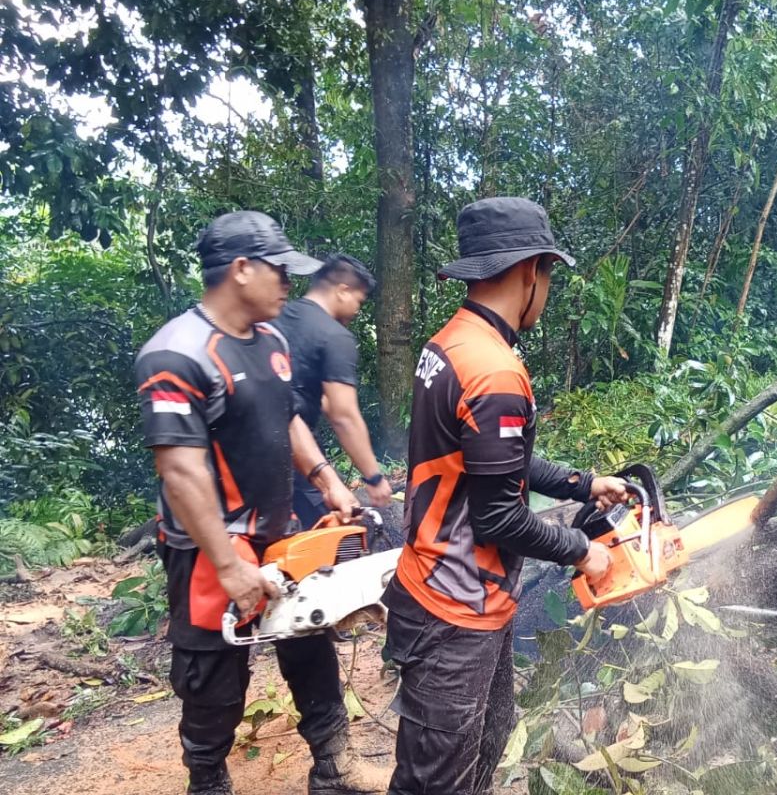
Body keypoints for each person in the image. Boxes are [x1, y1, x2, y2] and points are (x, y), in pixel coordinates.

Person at [135, 211, 391, 795]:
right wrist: (228, 564)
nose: (287, 283)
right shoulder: (177, 354)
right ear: (241, 269)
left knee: (311, 643)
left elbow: (289, 420)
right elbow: (179, 468)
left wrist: (327, 478)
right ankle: (209, 781)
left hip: (281, 529)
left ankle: (334, 769)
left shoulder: (272, 339)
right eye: (278, 271)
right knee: (212, 678)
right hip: (208, 548)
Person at [381, 197, 624, 795]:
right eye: (547, 275)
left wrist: (581, 483)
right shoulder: (494, 371)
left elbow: (491, 466)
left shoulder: (453, 344)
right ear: (529, 271)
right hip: (453, 606)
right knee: (434, 779)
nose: (546, 288)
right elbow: (497, 516)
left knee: (491, 735)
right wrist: (579, 550)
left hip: (455, 591)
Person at [274, 253, 393, 529]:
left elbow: (322, 400)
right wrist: (373, 477)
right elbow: (343, 415)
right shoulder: (334, 336)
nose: (357, 310)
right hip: (297, 457)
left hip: (263, 452)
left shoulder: (280, 316)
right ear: (343, 291)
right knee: (334, 535)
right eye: (358, 302)